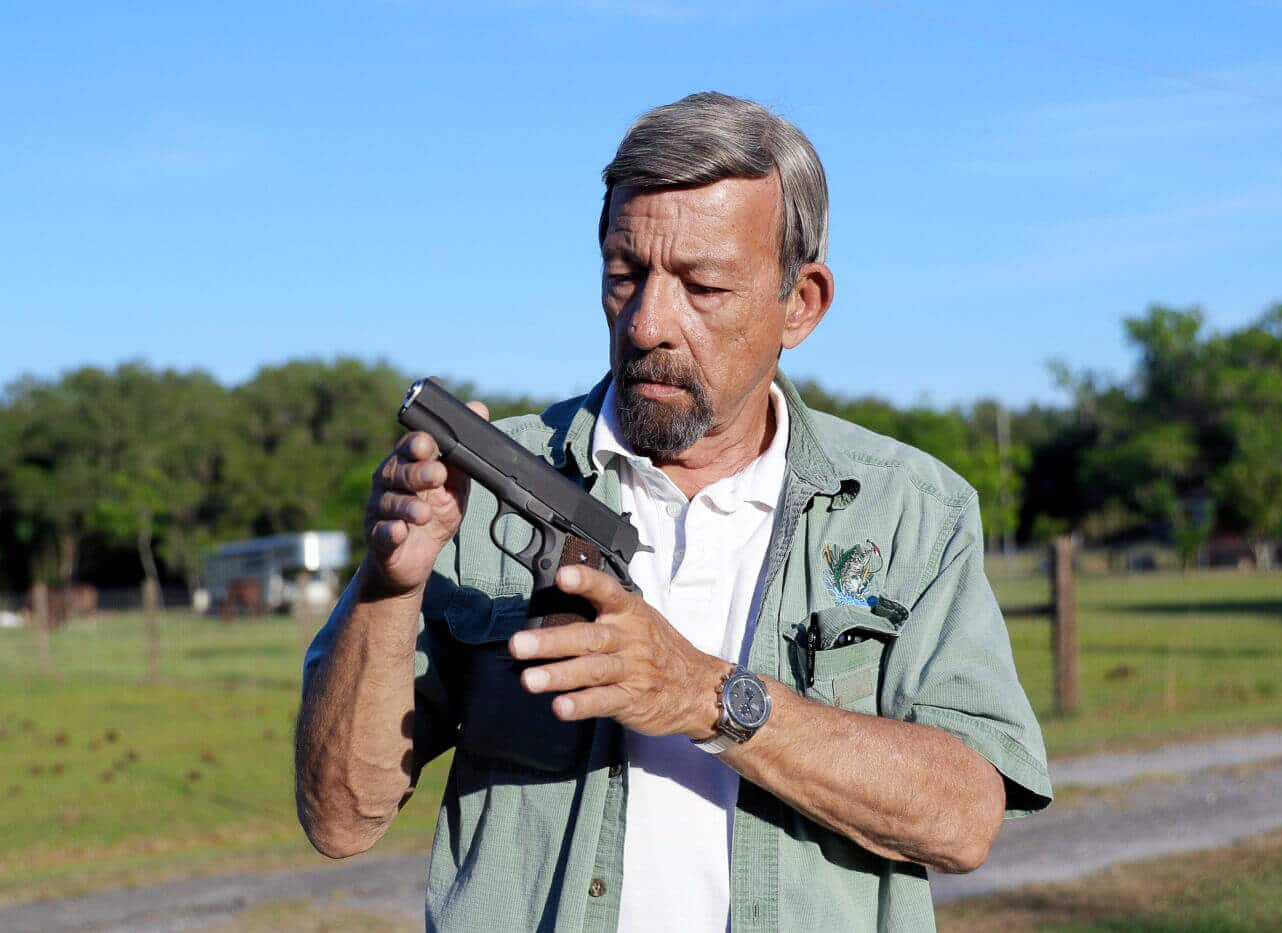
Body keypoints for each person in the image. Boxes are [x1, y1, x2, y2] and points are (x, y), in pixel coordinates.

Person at [296, 91, 1051, 932]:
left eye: (704, 285)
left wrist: (704, 696)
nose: (649, 320)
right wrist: (388, 584)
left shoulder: (913, 508)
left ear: (801, 302)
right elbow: (339, 817)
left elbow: (965, 817)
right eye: (626, 274)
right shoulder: (472, 494)